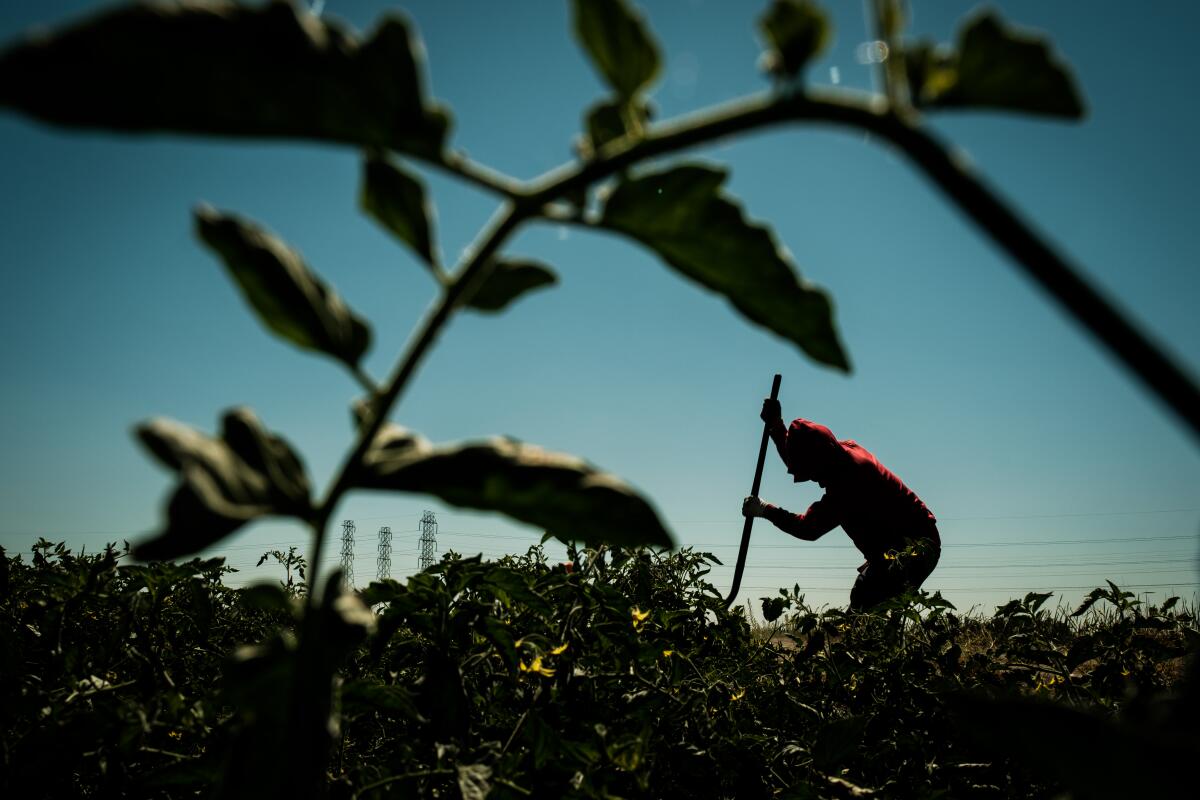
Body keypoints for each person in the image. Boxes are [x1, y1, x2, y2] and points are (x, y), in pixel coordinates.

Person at [741, 398, 940, 611]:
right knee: (870, 606)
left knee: (864, 608)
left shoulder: (848, 483)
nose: (814, 480)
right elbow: (801, 456)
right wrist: (776, 425)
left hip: (915, 549)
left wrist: (765, 509)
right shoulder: (840, 450)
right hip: (906, 543)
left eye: (812, 473)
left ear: (820, 464)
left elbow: (808, 528)